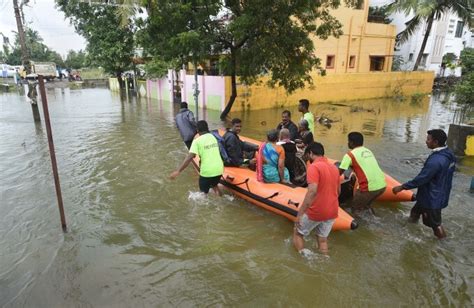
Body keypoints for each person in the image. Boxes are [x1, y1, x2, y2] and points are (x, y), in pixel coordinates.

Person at [393, 129, 455, 239]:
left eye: (428, 139)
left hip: (432, 198)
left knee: (435, 224)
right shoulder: (448, 154)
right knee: (415, 212)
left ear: (435, 142)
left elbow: (422, 179)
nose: (426, 141)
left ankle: (443, 243)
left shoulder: (436, 161)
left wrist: (402, 187)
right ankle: (407, 230)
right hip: (435, 193)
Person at [293, 142, 339, 254]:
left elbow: (312, 191)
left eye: (308, 155)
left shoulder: (314, 167)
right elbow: (338, 192)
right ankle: (325, 258)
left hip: (317, 210)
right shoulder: (334, 168)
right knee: (322, 240)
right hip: (332, 211)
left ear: (311, 153)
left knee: (298, 233)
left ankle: (304, 260)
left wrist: (300, 214)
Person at [338, 132, 386, 216]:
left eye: (348, 141)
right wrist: (353, 173)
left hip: (368, 188)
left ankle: (359, 226)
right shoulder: (368, 151)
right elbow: (365, 166)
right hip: (382, 186)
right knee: (366, 205)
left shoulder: (350, 155)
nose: (347, 143)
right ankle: (374, 218)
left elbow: (339, 172)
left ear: (352, 143)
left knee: (355, 210)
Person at [170, 120, 224, 195]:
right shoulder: (213, 137)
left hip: (207, 171)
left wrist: (178, 171)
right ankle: (220, 199)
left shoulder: (197, 141)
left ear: (197, 130)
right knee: (214, 185)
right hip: (219, 169)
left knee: (203, 195)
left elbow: (189, 158)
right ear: (207, 128)